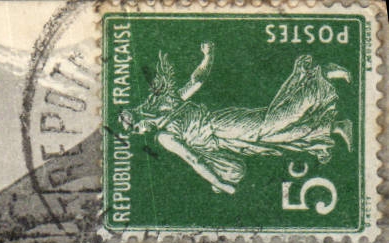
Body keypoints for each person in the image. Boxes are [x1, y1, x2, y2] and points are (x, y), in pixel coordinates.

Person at [120, 42, 354, 194]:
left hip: (222, 125)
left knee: (273, 123)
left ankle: (321, 75)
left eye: (137, 128)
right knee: (276, 137)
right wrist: (208, 56)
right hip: (225, 140)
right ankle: (334, 127)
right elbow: (197, 82)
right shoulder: (168, 110)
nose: (141, 132)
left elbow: (193, 160)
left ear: (140, 117)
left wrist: (221, 184)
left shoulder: (165, 133)